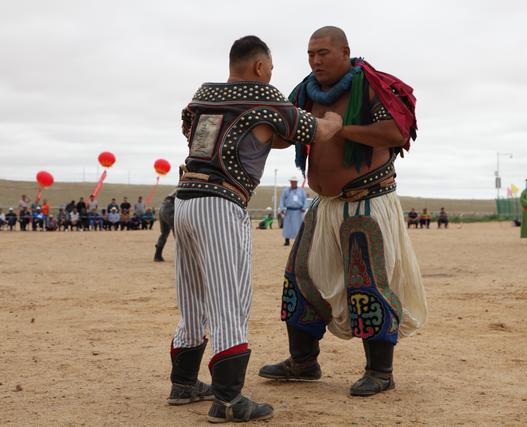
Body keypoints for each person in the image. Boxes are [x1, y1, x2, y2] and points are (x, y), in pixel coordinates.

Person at [169, 35, 341, 423]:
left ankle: (183, 382)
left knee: (193, 296)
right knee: (230, 299)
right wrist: (334, 120)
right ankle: (228, 399)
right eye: (272, 69)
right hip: (221, 203)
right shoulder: (264, 97)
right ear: (261, 67)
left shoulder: (203, 95)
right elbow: (314, 130)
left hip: (183, 199)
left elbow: (195, 131)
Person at [259, 27, 427, 398]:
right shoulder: (305, 90)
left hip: (367, 203)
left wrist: (338, 129)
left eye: (323, 53)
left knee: (367, 283)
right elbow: (286, 133)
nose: (315, 61)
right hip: (323, 204)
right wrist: (260, 120)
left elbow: (395, 132)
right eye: (310, 54)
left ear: (344, 51)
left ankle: (380, 371)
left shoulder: (369, 85)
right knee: (300, 277)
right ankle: (303, 362)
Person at [279, 177, 307, 245]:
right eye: (292, 181)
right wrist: (282, 208)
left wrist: (304, 207)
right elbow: (282, 200)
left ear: (296, 182)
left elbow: (305, 200)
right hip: (289, 211)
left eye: (294, 181)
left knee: (299, 226)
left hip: (298, 212)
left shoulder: (301, 191)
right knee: (288, 226)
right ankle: (287, 241)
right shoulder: (286, 191)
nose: (293, 183)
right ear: (290, 182)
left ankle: (299, 241)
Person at [154, 193, 175, 262]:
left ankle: (157, 255)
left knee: (164, 233)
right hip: (171, 207)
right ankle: (181, 257)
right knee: (178, 233)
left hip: (163, 207)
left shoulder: (179, 186)